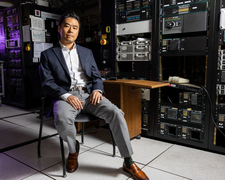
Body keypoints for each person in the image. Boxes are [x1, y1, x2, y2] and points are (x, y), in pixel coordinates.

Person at [40, 11, 149, 180]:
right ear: (60, 28)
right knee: (61, 119)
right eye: (67, 26)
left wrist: (97, 90)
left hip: (89, 95)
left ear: (78, 31)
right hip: (66, 97)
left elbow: (97, 77)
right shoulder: (47, 55)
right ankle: (73, 150)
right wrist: (66, 96)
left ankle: (128, 161)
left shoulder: (86, 52)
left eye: (75, 27)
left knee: (116, 113)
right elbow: (47, 82)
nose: (71, 30)